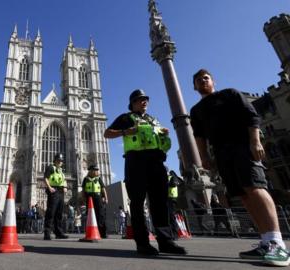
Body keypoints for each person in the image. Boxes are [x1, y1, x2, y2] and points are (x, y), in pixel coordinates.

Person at [190, 68, 289, 266]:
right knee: (243, 194)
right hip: (221, 153)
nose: (203, 81)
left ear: (213, 81)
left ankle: (278, 243)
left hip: (242, 146)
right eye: (198, 80)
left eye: (206, 78)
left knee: (255, 187)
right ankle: (265, 241)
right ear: (194, 86)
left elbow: (252, 117)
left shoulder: (230, 94)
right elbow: (199, 136)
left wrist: (255, 142)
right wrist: (204, 158)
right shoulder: (196, 111)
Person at [104, 89, 186, 256]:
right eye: (140, 99)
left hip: (156, 162)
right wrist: (126, 131)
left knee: (160, 203)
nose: (144, 102)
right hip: (136, 162)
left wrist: (164, 135)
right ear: (133, 103)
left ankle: (165, 241)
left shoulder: (153, 120)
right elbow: (107, 133)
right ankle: (142, 243)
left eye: (146, 99)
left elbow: (161, 141)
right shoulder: (126, 118)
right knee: (137, 203)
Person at [43, 153, 69, 240]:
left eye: (61, 161)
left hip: (61, 191)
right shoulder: (51, 167)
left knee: (59, 213)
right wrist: (49, 187)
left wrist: (65, 187)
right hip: (54, 191)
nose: (61, 162)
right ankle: (47, 232)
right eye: (59, 160)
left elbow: (64, 180)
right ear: (55, 160)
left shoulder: (61, 170)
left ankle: (58, 232)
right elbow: (46, 178)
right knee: (51, 212)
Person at [81, 165, 108, 238]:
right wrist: (83, 199)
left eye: (97, 170)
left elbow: (103, 189)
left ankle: (103, 233)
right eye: (95, 170)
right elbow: (83, 190)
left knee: (100, 215)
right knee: (90, 215)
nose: (97, 172)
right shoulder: (86, 179)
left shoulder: (99, 179)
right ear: (91, 171)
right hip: (89, 199)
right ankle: (90, 232)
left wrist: (106, 198)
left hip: (98, 198)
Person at [167, 170, 181, 239]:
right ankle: (174, 232)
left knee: (171, 217)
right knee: (171, 216)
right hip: (174, 198)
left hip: (170, 198)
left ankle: (175, 233)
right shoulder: (175, 178)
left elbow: (168, 186)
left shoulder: (169, 177)